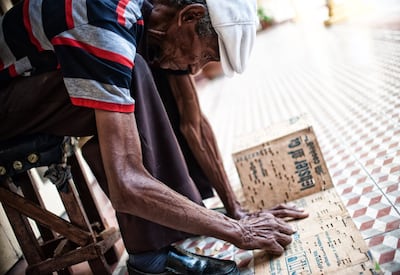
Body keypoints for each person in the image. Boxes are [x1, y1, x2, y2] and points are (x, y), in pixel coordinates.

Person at [0, 0, 309, 274]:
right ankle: (151, 257)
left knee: (132, 71)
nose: (195, 70)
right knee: (131, 70)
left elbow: (193, 122)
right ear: (190, 16)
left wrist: (235, 209)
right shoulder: (108, 21)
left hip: (29, 87)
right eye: (205, 56)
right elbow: (126, 185)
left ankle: (170, 224)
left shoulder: (152, 19)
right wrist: (237, 231)